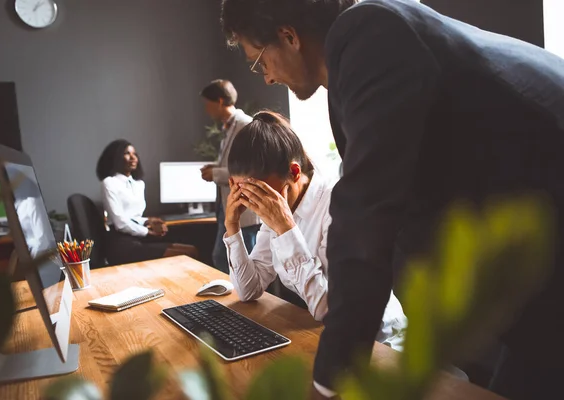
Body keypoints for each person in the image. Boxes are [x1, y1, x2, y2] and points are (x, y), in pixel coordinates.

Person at [220, 0, 564, 399]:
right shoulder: (352, 73)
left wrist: (326, 385)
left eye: (260, 61)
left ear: (289, 36)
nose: (265, 79)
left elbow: (366, 218)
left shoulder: (370, 36)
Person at [224, 111, 407, 350]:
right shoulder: (276, 207)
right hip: (333, 339)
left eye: (263, 194)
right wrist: (232, 227)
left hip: (382, 343)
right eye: (247, 194)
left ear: (295, 172)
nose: (257, 205)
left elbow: (328, 308)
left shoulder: (338, 205)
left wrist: (286, 229)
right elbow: (249, 289)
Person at [97, 139, 198, 265]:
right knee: (187, 255)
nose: (133, 158)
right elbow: (120, 223)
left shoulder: (139, 184)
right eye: (127, 153)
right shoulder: (110, 183)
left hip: (137, 237)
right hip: (121, 243)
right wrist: (148, 232)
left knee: (192, 250)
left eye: (135, 154)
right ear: (116, 157)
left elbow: (133, 216)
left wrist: (147, 221)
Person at [199, 79, 260, 273]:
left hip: (245, 210)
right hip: (226, 207)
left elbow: (253, 169)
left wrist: (216, 173)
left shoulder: (245, 125)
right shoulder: (229, 128)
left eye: (207, 104)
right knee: (222, 257)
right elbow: (235, 164)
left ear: (218, 101)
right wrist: (216, 167)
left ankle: (250, 300)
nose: (206, 110)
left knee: (244, 263)